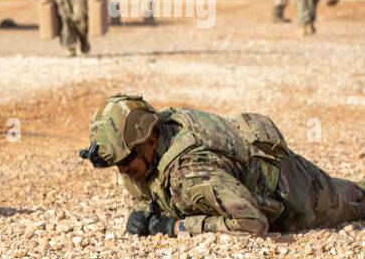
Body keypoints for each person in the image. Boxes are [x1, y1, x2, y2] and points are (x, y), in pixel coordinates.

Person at [79, 94, 365, 237]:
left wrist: (178, 226)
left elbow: (252, 223)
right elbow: (145, 187)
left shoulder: (190, 173)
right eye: (115, 165)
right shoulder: (153, 140)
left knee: (355, 198)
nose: (122, 170)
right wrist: (142, 212)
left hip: (298, 195)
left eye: (126, 161)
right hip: (257, 171)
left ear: (150, 140)